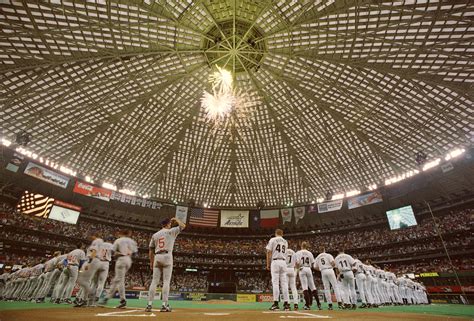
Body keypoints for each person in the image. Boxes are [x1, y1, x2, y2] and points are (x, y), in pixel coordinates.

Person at [145, 217, 186, 312]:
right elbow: (183, 226)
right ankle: (164, 305)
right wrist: (176, 219)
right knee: (166, 281)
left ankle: (149, 305)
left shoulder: (155, 235)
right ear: (168, 224)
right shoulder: (171, 231)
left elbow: (151, 250)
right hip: (167, 256)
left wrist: (151, 261)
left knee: (154, 281)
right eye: (170, 224)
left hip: (157, 256)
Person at [100, 230, 138, 308]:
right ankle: (122, 300)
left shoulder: (119, 240)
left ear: (122, 234)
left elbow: (112, 251)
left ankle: (107, 298)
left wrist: (119, 253)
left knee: (117, 279)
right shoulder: (132, 241)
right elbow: (136, 253)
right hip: (128, 260)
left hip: (121, 260)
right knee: (120, 280)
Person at [74, 233, 103, 307]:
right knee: (84, 281)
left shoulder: (97, 241)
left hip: (92, 260)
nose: (90, 237)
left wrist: (89, 262)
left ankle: (88, 299)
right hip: (93, 260)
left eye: (92, 235)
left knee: (81, 280)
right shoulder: (96, 242)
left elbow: (94, 251)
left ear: (95, 236)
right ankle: (86, 299)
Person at [266, 229, 290, 311]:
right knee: (284, 283)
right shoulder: (285, 241)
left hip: (275, 261)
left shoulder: (272, 239)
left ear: (276, 233)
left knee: (275, 283)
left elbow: (269, 252)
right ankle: (286, 304)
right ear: (282, 234)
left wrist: (268, 264)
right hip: (283, 262)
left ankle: (276, 304)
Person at [295, 242, 321, 310]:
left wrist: (297, 269)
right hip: (308, 269)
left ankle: (307, 305)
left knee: (305, 287)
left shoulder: (298, 253)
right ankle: (319, 304)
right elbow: (313, 264)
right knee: (313, 287)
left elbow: (297, 263)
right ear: (307, 246)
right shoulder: (310, 253)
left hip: (302, 268)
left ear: (301, 246)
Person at [285, 245, 298, 311]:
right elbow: (297, 263)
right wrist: (296, 270)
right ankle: (296, 304)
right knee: (293, 287)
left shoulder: (284, 251)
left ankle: (288, 303)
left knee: (286, 287)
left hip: (286, 269)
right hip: (292, 269)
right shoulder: (294, 252)